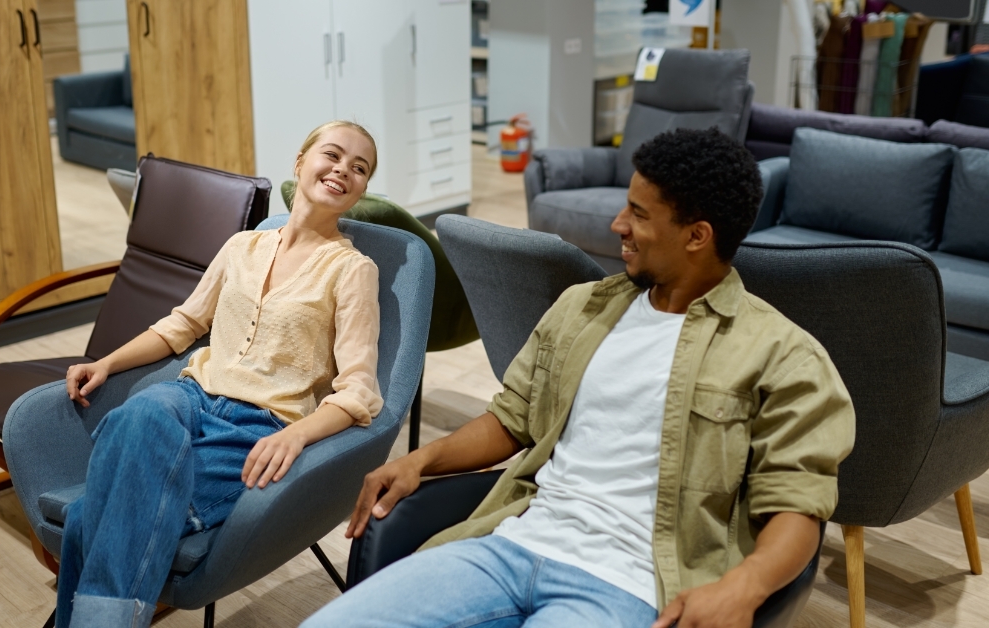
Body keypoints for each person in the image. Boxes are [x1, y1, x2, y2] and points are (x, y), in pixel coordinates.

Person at [303, 128, 856, 628]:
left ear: (697, 236)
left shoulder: (784, 356)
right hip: (511, 543)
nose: (619, 225)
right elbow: (513, 418)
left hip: (628, 584)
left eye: (639, 214)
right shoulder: (583, 307)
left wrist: (743, 587)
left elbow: (799, 505)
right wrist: (419, 460)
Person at [54, 120, 382, 628]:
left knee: (87, 516)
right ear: (300, 163)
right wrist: (107, 363)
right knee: (143, 409)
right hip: (190, 399)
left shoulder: (352, 269)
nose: (344, 170)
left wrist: (297, 435)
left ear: (361, 189)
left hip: (257, 430)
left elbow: (360, 391)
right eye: (333, 155)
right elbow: (182, 326)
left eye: (359, 168)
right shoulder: (241, 247)